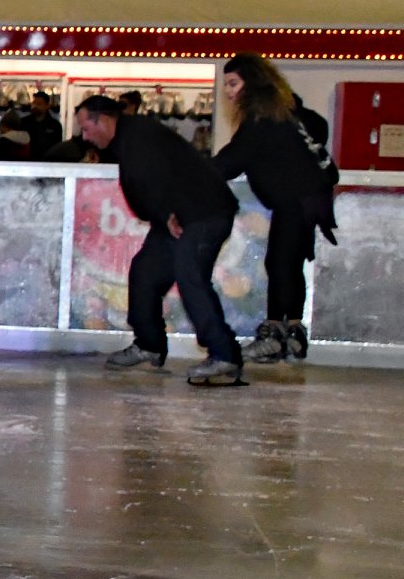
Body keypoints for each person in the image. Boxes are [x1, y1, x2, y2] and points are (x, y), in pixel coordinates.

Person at [76, 94, 244, 385]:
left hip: (203, 212)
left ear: (102, 120)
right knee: (146, 272)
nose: (84, 136)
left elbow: (164, 175)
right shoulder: (129, 138)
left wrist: (169, 211)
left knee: (189, 274)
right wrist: (166, 213)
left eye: (86, 128)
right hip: (180, 214)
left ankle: (224, 353)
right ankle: (149, 343)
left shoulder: (139, 137)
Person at [213, 53, 339, 362]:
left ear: (251, 83)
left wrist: (196, 173)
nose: (228, 91)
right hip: (310, 199)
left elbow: (233, 158)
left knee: (280, 264)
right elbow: (317, 127)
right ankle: (292, 333)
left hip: (295, 200)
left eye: (233, 83)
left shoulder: (261, 117)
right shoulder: (285, 111)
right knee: (288, 265)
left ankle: (274, 335)